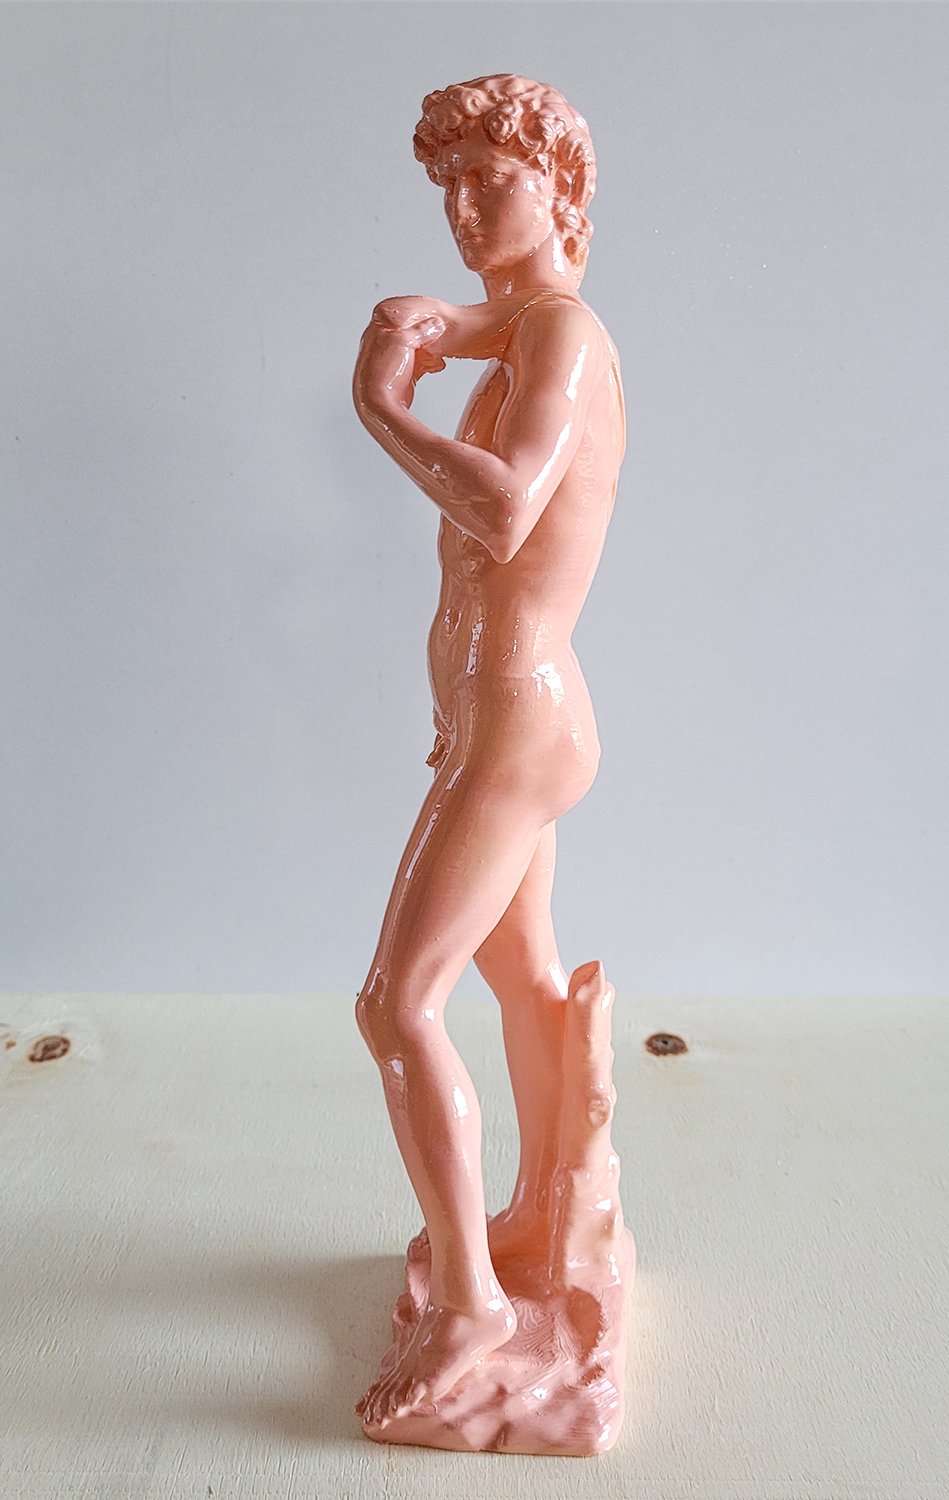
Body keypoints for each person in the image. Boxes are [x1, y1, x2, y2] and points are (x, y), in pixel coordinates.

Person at [351, 74, 626, 1429]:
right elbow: (474, 320)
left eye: (490, 181)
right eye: (446, 186)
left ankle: (470, 1303)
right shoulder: (523, 327)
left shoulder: (562, 333)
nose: (462, 210)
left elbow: (509, 511)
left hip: (516, 719)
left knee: (397, 1006)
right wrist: (433, 327)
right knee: (519, 977)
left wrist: (383, 405)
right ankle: (541, 1215)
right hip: (492, 714)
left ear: (558, 187)